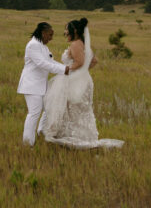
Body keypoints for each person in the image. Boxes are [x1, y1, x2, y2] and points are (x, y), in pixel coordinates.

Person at [39, 18, 124, 149]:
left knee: (73, 108)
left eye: (66, 30)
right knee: (79, 109)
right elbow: (94, 61)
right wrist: (83, 72)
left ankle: (73, 137)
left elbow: (80, 62)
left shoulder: (75, 44)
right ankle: (81, 136)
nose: (64, 33)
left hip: (74, 80)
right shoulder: (82, 43)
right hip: (83, 79)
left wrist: (67, 70)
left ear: (74, 31)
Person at [17, 22, 70, 146]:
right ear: (43, 33)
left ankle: (41, 131)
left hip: (41, 86)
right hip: (31, 85)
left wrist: (67, 68)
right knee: (34, 113)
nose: (51, 38)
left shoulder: (43, 46)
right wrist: (64, 70)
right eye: (50, 35)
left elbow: (51, 61)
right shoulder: (33, 45)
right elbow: (42, 64)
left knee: (49, 107)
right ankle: (28, 143)